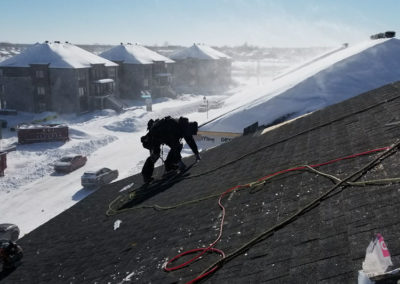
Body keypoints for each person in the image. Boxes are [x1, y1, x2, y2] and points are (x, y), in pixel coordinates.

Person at [140, 116, 201, 183]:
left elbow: (190, 141)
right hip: (153, 138)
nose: (189, 135)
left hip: (164, 137)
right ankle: (146, 176)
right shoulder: (174, 127)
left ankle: (169, 167)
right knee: (155, 155)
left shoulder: (184, 127)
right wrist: (180, 162)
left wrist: (196, 153)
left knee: (178, 146)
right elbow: (174, 145)